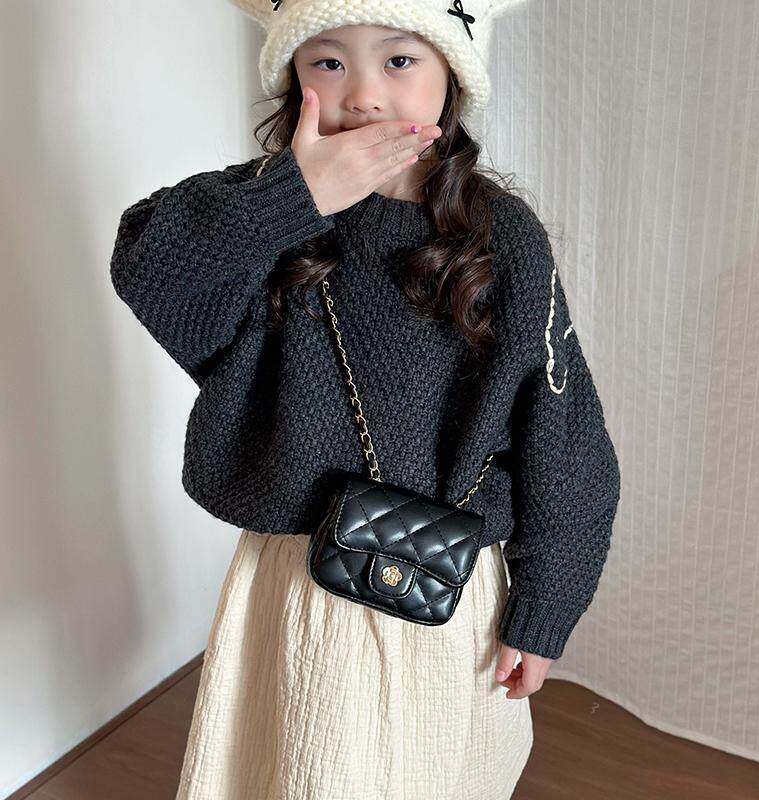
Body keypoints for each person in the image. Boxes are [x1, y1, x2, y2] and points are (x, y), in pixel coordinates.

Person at [109, 1, 621, 797]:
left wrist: (547, 604)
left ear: (452, 74)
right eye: (328, 61)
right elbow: (149, 269)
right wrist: (297, 193)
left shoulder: (503, 238)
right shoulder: (270, 215)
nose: (364, 94)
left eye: (400, 60)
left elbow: (565, 434)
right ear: (294, 76)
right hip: (298, 583)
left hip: (450, 588)